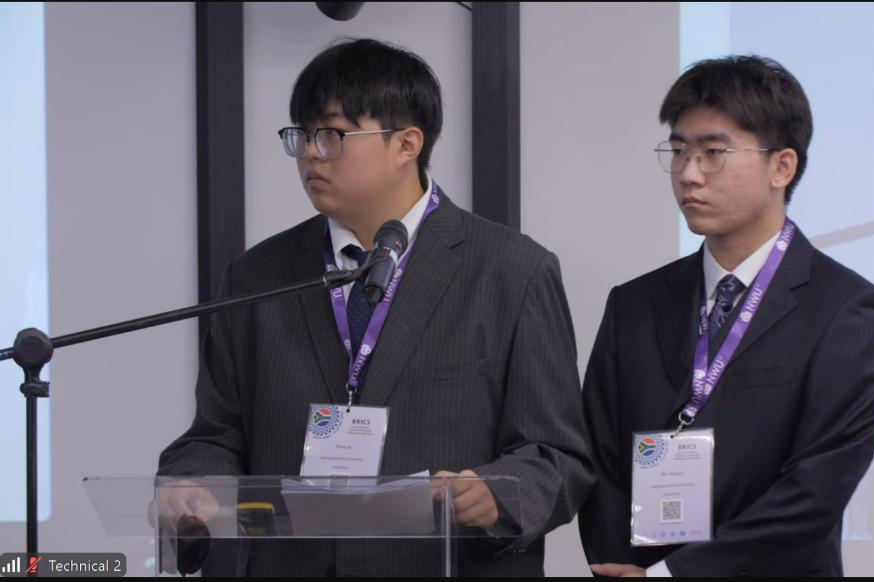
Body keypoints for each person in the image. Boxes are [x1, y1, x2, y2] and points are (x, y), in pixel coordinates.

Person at [158, 38, 594, 577]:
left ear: (406, 143)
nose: (310, 153)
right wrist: (192, 483)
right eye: (301, 135)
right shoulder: (258, 276)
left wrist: (498, 494)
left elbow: (558, 456)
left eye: (332, 135)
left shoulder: (512, 271)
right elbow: (215, 435)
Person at [579, 55, 874, 577]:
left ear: (782, 167)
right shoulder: (633, 305)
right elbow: (600, 461)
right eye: (678, 152)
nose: (688, 174)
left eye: (713, 153)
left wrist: (672, 576)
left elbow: (814, 492)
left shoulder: (848, 311)